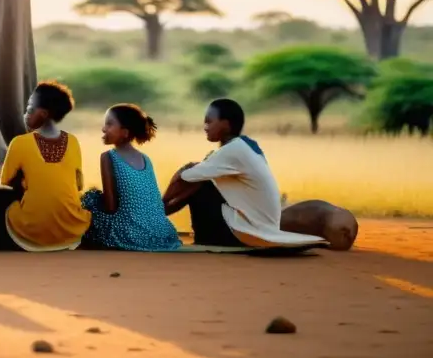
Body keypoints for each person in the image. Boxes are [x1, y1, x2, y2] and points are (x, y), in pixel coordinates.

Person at [162, 99, 326, 248]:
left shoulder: (233, 151)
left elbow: (183, 177)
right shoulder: (246, 145)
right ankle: (157, 214)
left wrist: (162, 202)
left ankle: (156, 214)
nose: (205, 126)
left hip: (247, 233)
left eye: (209, 122)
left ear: (226, 124)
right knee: (200, 178)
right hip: (258, 228)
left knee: (197, 181)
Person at [0, 82, 90, 252]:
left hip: (32, 232)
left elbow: (4, 181)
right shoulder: (73, 141)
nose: (25, 115)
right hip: (70, 232)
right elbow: (78, 185)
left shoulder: (19, 142)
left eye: (30, 109)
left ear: (43, 113)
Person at [81, 104, 181, 251]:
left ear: (125, 133)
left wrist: (95, 201)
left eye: (109, 124)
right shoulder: (146, 159)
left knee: (90, 198)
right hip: (161, 233)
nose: (103, 129)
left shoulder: (109, 157)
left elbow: (110, 207)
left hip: (129, 233)